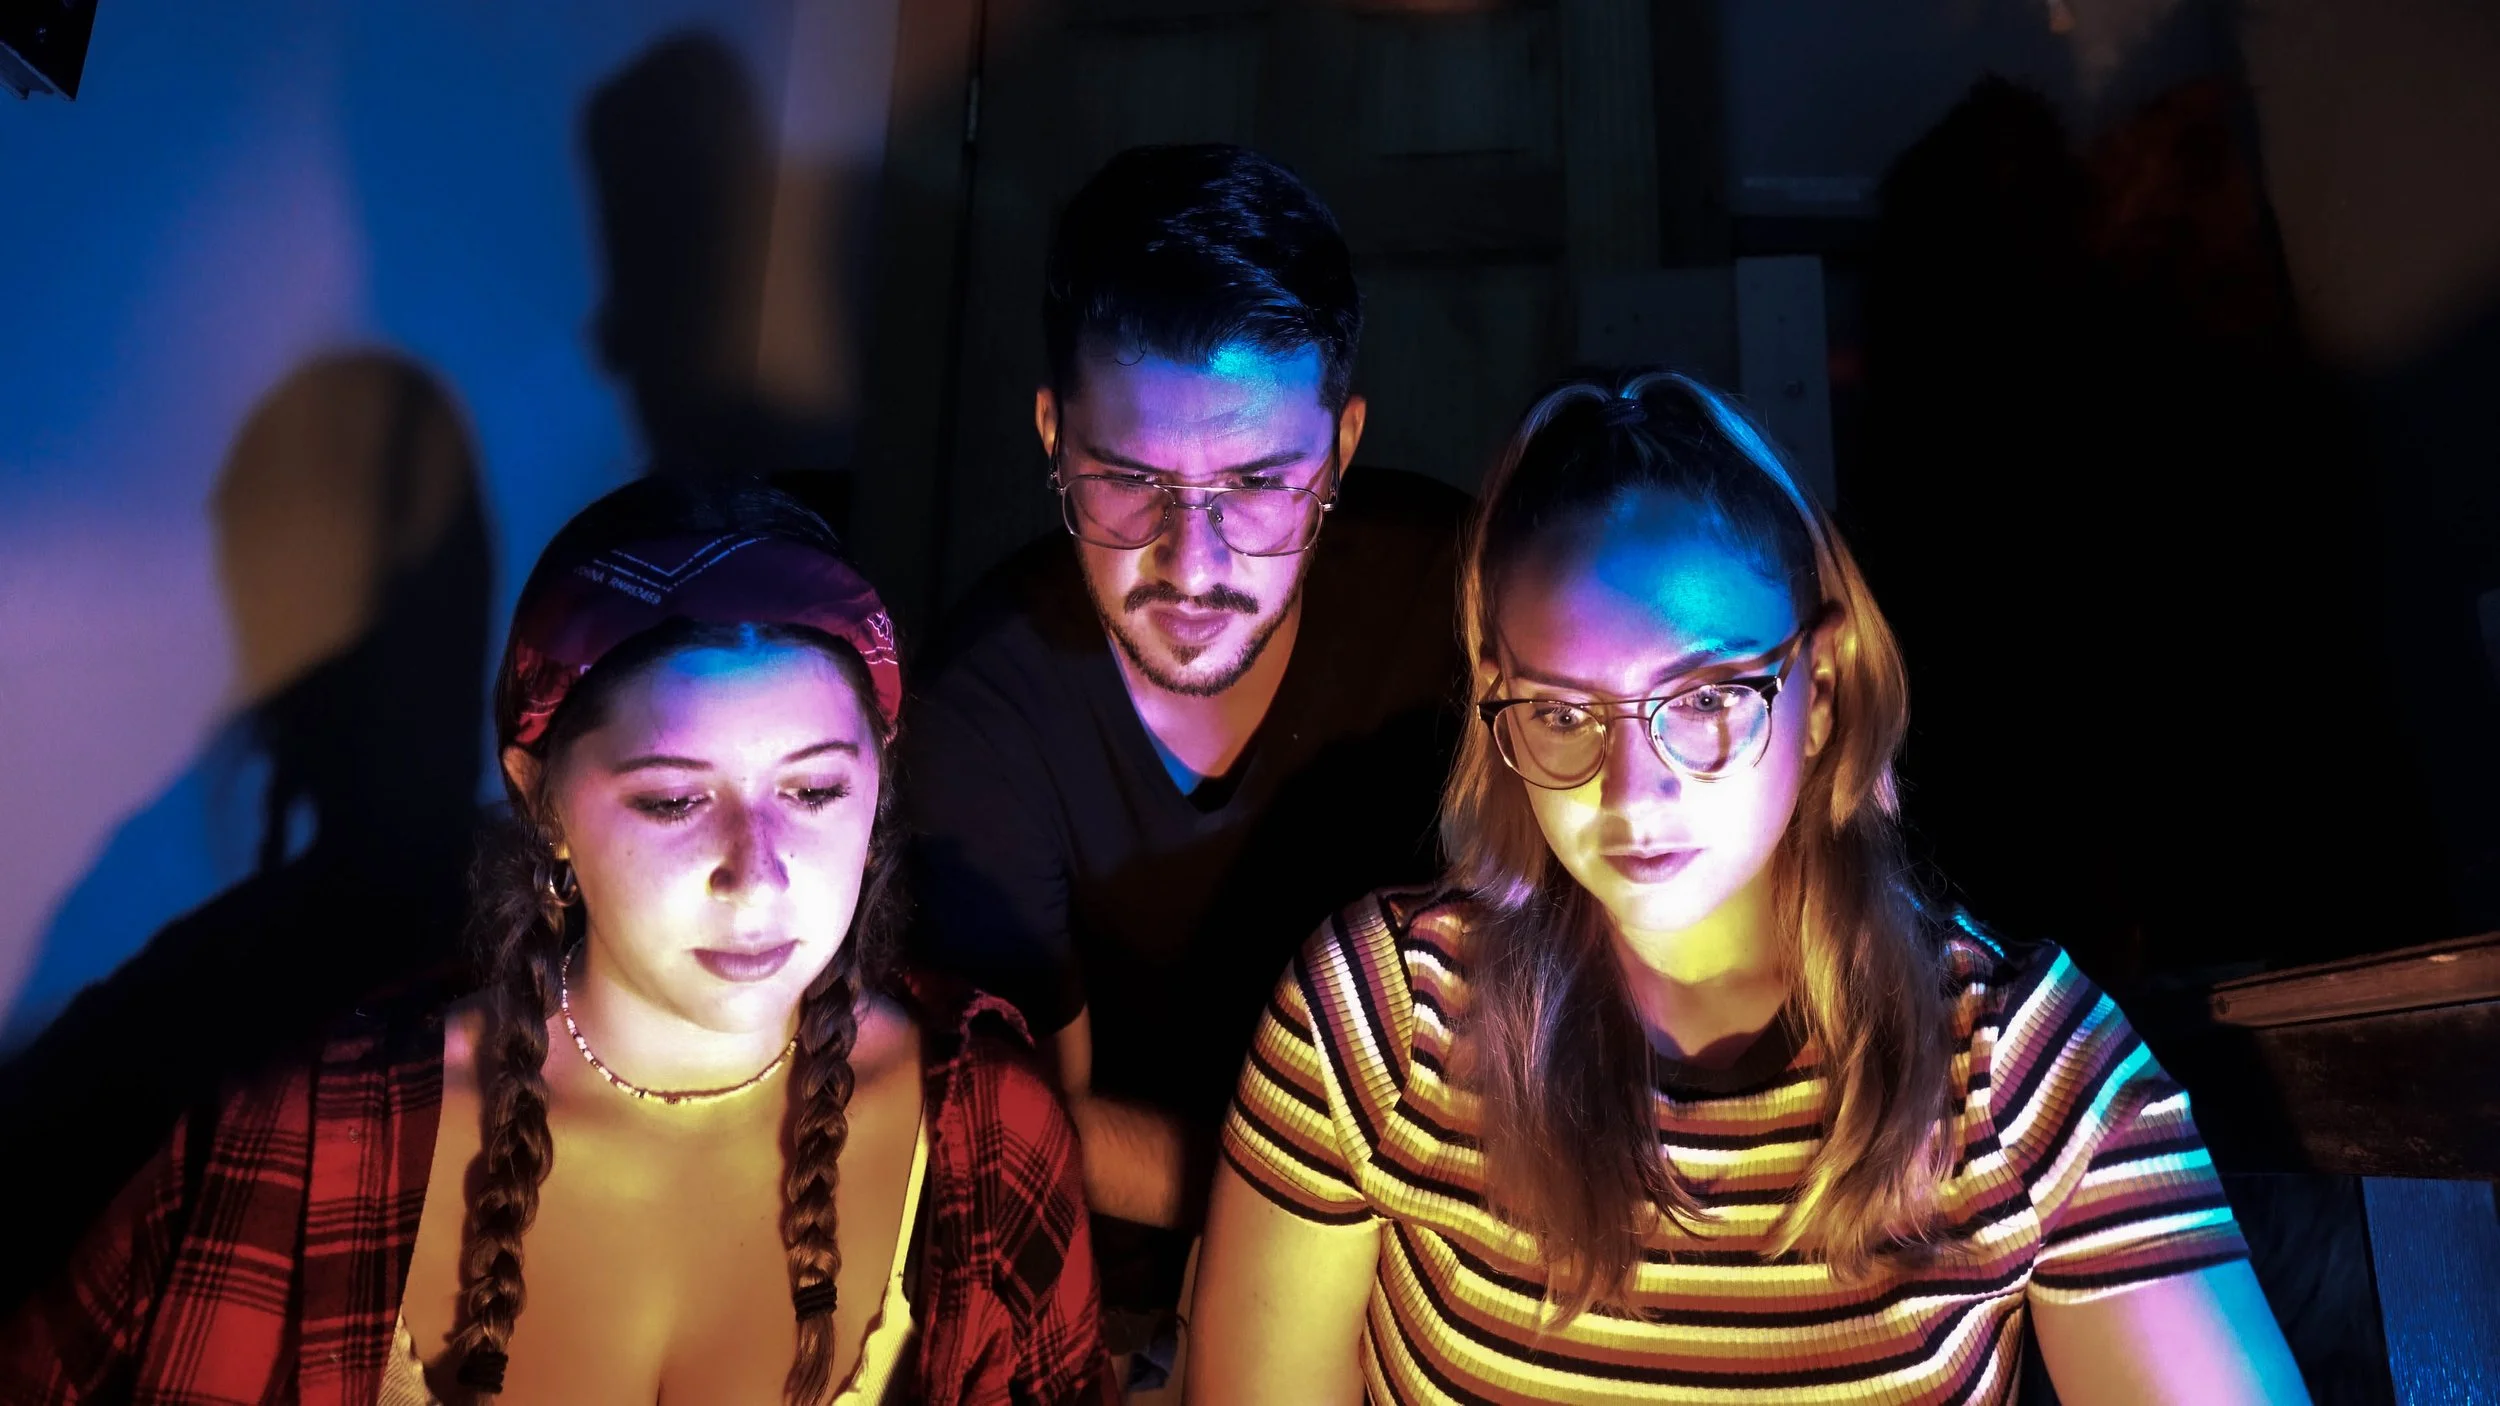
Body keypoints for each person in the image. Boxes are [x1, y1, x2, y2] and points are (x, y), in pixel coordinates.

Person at [1189, 371, 2310, 1404]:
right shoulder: (1381, 1024)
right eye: (1565, 713)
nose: (1631, 791)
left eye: (1705, 699)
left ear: (1819, 687)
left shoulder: (2017, 1072)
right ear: (1498, 702)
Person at [3, 478, 1109, 1405]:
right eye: (674, 801)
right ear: (542, 800)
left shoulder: (985, 1137)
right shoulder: (306, 1132)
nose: (759, 871)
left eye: (814, 790)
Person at [906, 143, 1467, 1377]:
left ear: (1341, 449)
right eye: (1128, 480)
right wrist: (1333, 1194)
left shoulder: (1456, 606)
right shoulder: (982, 705)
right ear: (1053, 437)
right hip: (1130, 1297)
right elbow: (1032, 1122)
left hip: (1443, 1263)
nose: (1193, 560)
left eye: (1259, 483)